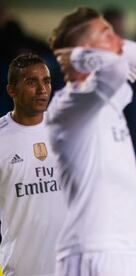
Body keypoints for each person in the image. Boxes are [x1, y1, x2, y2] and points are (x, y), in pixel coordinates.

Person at [46, 7, 136, 275]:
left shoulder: (108, 100)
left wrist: (105, 46)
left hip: (124, 250)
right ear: (88, 51)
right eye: (106, 33)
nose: (118, 39)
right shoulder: (70, 106)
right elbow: (116, 68)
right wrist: (77, 55)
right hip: (93, 252)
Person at [0, 54, 67, 275]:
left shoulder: (66, 129)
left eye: (46, 81)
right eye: (31, 82)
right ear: (11, 90)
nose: (42, 89)